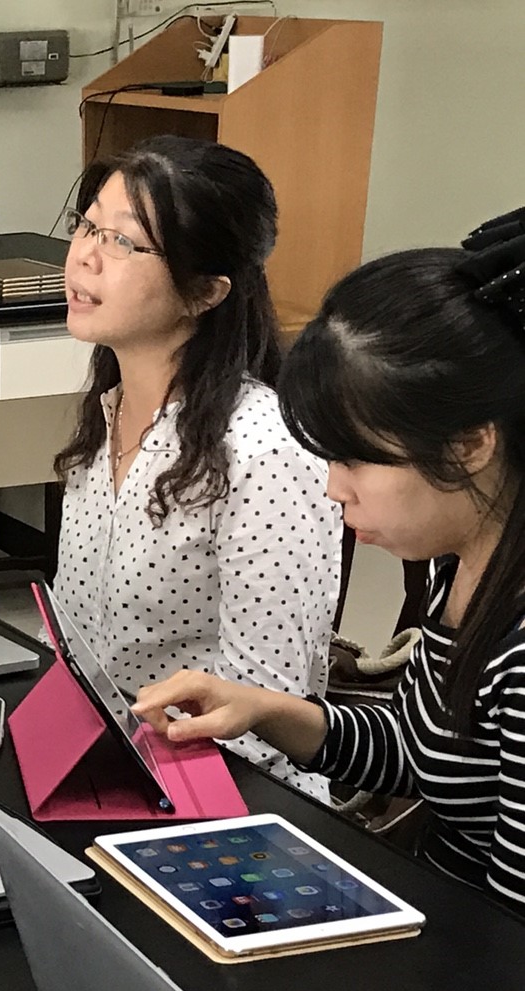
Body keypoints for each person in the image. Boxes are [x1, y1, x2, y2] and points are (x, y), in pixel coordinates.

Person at [132, 210, 525, 907]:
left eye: (355, 459)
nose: (333, 487)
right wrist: (261, 709)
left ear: (469, 445)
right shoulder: (466, 558)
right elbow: (419, 753)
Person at [52, 135, 342, 801]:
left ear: (206, 291)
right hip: (109, 763)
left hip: (222, 794)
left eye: (123, 242)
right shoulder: (111, 409)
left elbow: (264, 710)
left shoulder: (265, 450)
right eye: (87, 225)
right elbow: (77, 640)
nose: (86, 255)